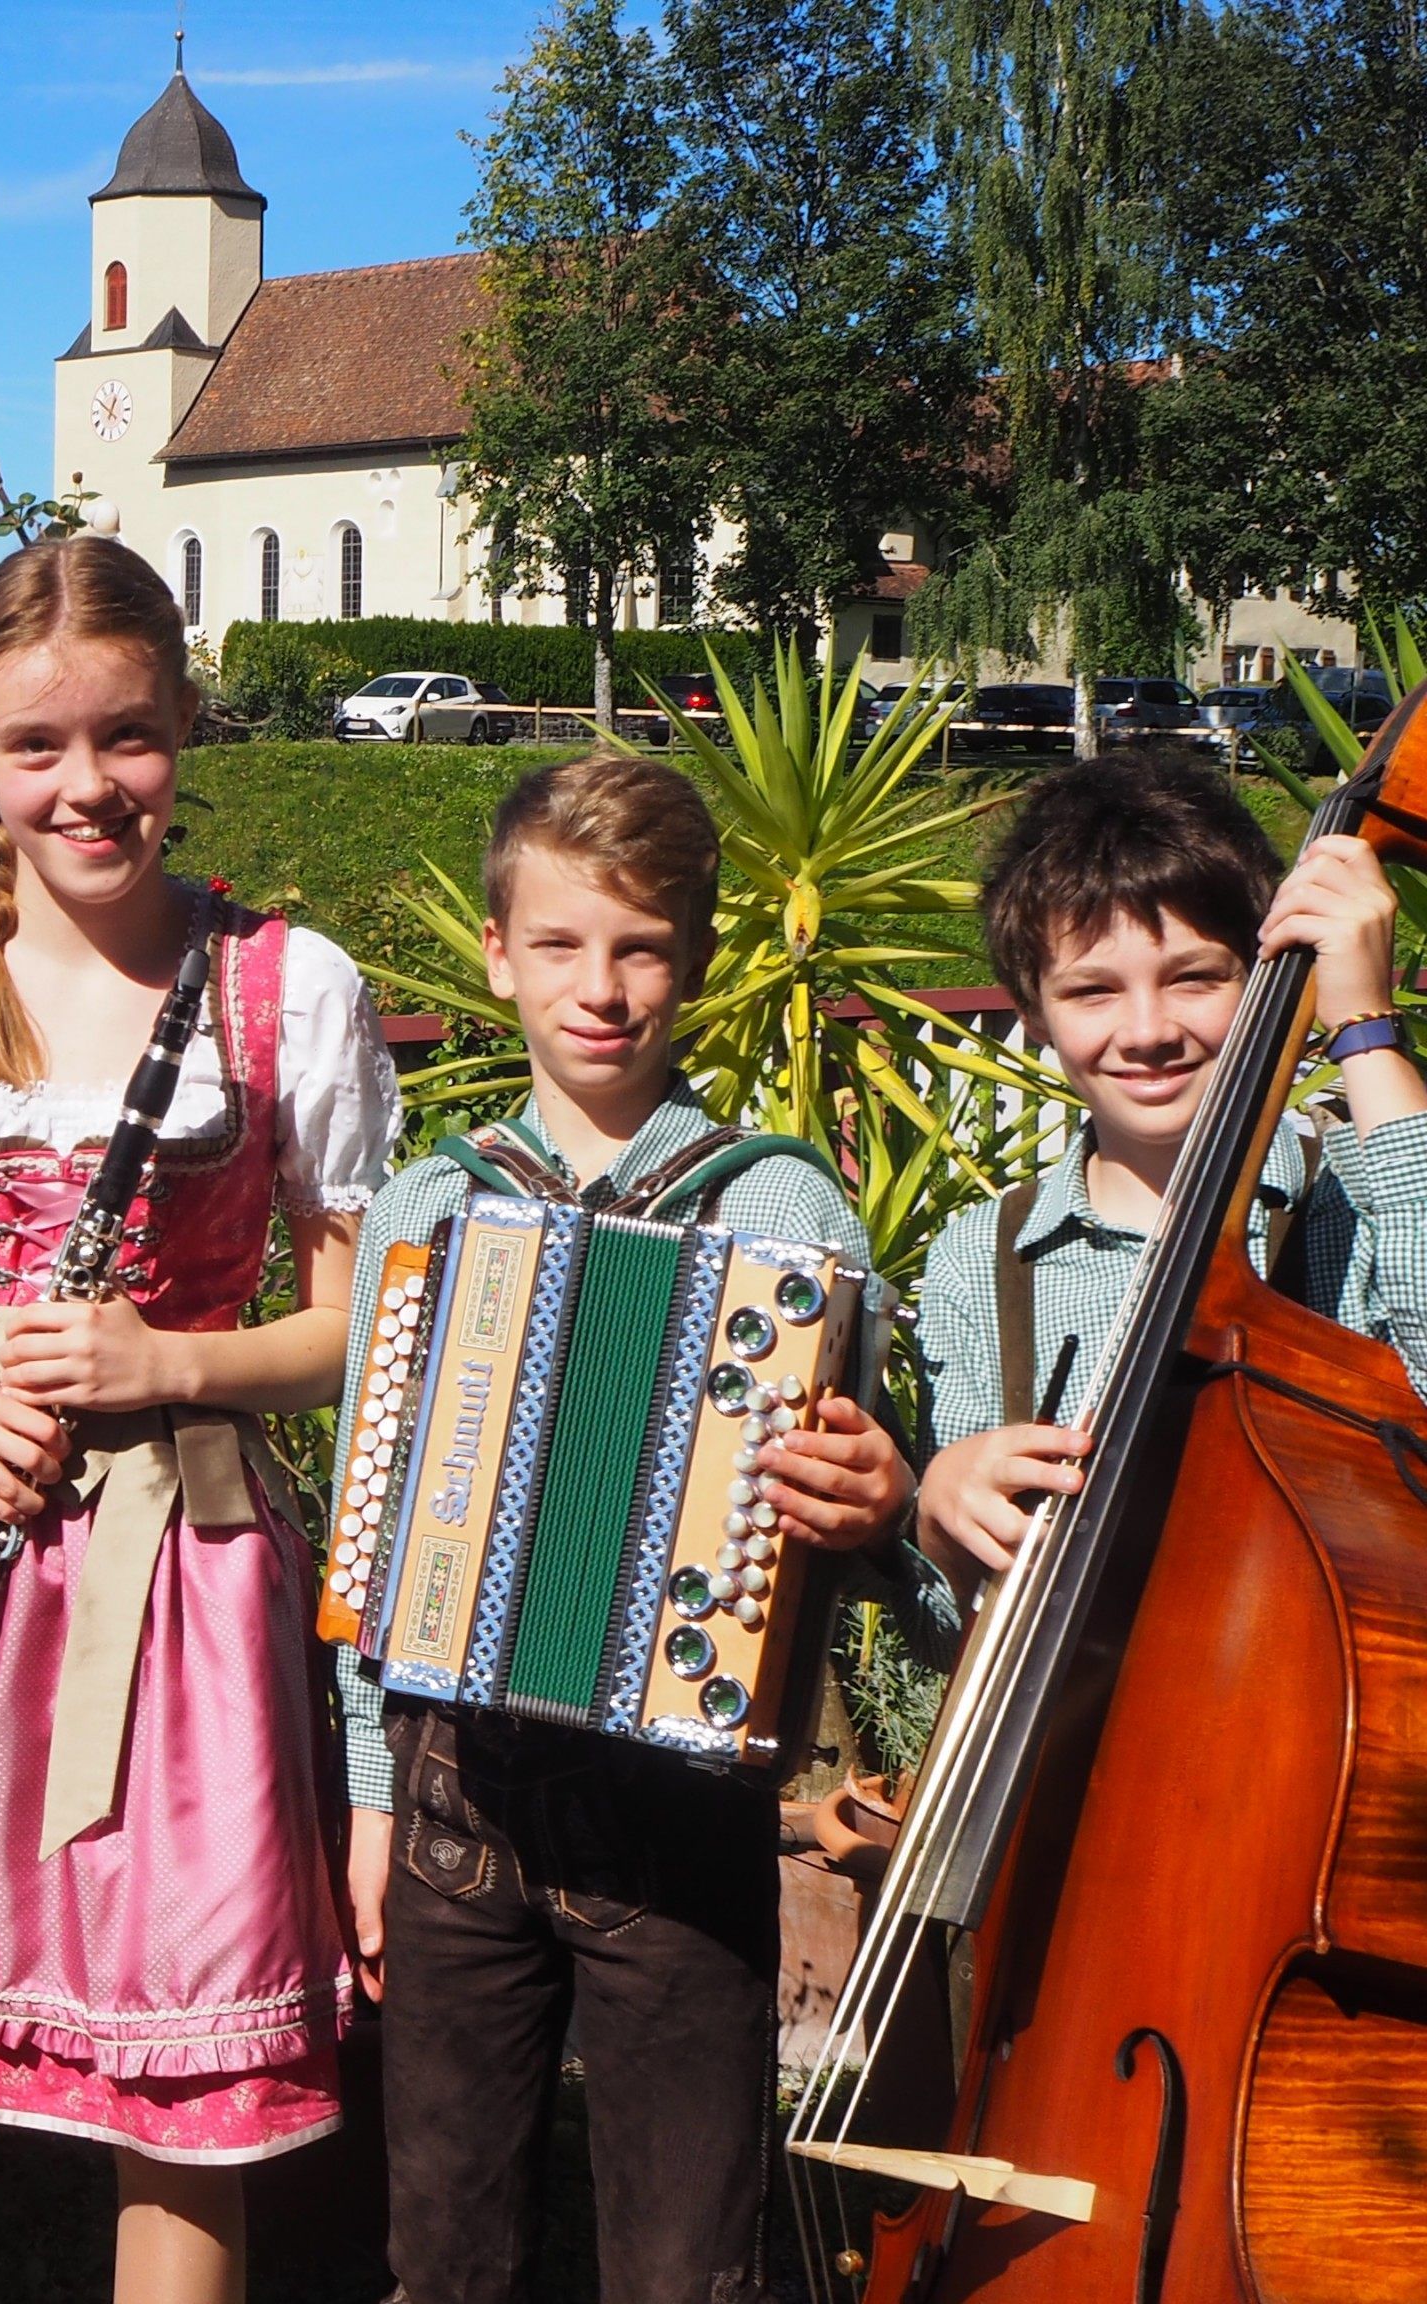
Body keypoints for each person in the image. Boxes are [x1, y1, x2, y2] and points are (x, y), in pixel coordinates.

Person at [0, 535, 398, 2304]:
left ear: (185, 723)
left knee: (183, 2092)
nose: (88, 784)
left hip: (188, 1567)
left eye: (125, 736)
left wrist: (170, 1364)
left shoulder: (292, 984)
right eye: (37, 743)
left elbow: (356, 1324)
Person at [331, 752, 933, 2304]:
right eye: (560, 944)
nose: (600, 988)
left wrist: (874, 1512)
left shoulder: (783, 1214)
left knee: (685, 2266)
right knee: (441, 2252)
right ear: (496, 957)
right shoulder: (425, 1208)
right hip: (455, 1809)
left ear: (699, 959)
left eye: (641, 946)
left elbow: (860, 1533)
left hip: (679, 1828)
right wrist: (367, 1801)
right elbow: (374, 1545)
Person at [917, 745, 1427, 1595]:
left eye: (1195, 977)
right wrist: (938, 1513)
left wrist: (1363, 1024)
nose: (1148, 1029)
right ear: (1034, 1013)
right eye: (1093, 992)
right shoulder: (984, 1259)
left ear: (1265, 978)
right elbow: (952, 1635)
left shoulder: (1358, 1199)